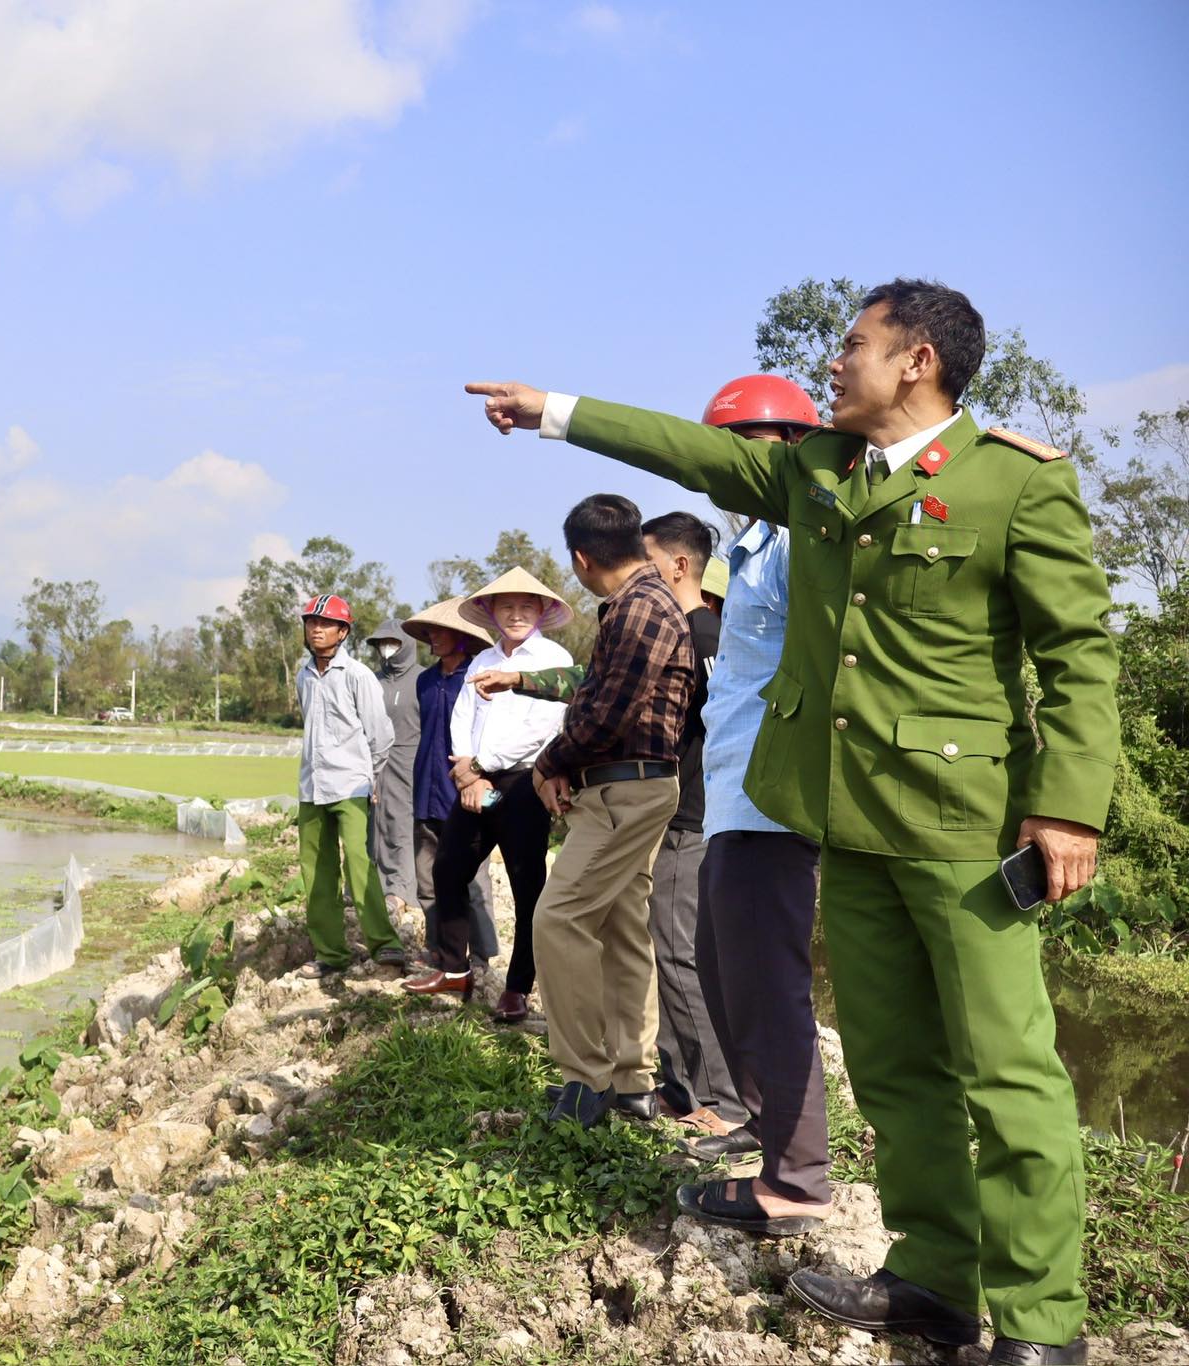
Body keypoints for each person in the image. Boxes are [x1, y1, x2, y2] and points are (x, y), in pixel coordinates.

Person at [468, 277, 1119, 1364]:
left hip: (962, 828)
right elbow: (690, 451)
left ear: (916, 361)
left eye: (854, 344)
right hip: (843, 817)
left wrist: (1066, 810)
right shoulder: (820, 472)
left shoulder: (1013, 482)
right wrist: (553, 411)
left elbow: (1077, 655)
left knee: (1008, 1072)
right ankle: (932, 1275)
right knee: (893, 1064)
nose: (834, 362)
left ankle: (1041, 1323)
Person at [462, 503, 694, 1125]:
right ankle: (631, 1079)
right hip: (624, 788)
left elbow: (607, 712)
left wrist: (547, 763)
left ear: (581, 559)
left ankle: (587, 1080)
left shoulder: (640, 607)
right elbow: (593, 687)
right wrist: (526, 688)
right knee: (621, 927)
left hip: (625, 792)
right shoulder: (637, 604)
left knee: (559, 917)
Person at [668, 376, 835, 1238]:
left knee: (767, 983)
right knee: (724, 968)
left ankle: (796, 1182)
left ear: (793, 447)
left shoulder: (804, 538)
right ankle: (769, 1136)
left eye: (747, 448)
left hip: (773, 796)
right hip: (732, 792)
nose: (729, 468)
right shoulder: (753, 544)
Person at [402, 570, 573, 1021]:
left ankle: (518, 988)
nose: (516, 615)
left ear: (541, 611)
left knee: (526, 887)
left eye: (526, 606)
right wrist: (469, 773)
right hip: (475, 780)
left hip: (525, 782)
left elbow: (543, 729)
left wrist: (481, 765)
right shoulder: (483, 660)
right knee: (447, 867)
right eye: (507, 607)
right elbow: (462, 716)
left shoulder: (553, 659)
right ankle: (454, 967)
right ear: (492, 613)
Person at [635, 510, 744, 1138]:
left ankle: (724, 1101)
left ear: (679, 566)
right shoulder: (691, 631)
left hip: (693, 815)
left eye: (645, 562)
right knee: (666, 949)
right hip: (677, 813)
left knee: (681, 955)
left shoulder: (702, 633)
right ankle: (679, 1087)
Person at [295, 594, 410, 981]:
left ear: (343, 632)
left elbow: (380, 734)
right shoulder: (303, 676)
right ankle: (330, 952)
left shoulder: (357, 676)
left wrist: (369, 776)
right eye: (311, 622)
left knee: (359, 862)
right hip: (312, 785)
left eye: (326, 623)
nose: (317, 629)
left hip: (350, 784)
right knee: (316, 871)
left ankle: (385, 944)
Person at [402, 597, 500, 970]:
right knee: (428, 880)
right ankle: (440, 949)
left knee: (473, 881)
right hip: (426, 791)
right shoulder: (425, 681)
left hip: (466, 794)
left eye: (442, 631)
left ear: (462, 637)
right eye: (431, 631)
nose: (434, 637)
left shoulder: (479, 679)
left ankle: (482, 956)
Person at [362, 619, 422, 916]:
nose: (387, 649)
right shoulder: (370, 681)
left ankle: (399, 890)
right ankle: (367, 886)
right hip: (373, 761)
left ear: (407, 645)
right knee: (371, 825)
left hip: (408, 762)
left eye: (393, 643)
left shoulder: (423, 679)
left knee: (400, 825)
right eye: (382, 643)